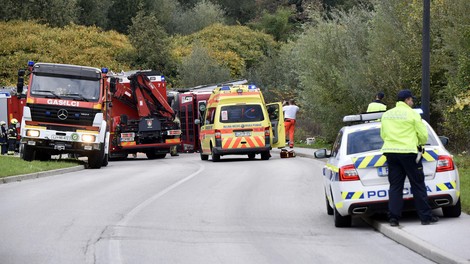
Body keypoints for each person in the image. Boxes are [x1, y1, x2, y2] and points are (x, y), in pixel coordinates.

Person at [380, 89, 439, 226]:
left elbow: (383, 134)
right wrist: (419, 143)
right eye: (411, 100)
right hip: (408, 153)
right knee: (418, 184)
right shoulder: (412, 114)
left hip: (391, 153)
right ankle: (425, 217)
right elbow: (423, 135)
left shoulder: (387, 115)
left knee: (395, 187)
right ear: (407, 100)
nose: (412, 102)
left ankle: (394, 218)